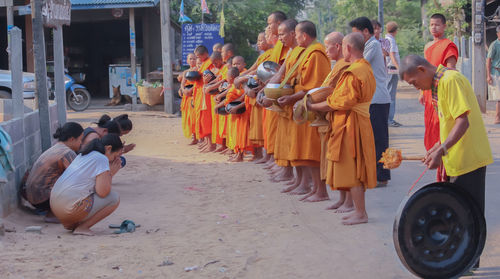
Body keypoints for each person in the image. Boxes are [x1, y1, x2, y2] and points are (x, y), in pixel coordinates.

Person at [400, 56, 493, 264]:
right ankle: (463, 261)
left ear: (422, 70)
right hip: (457, 159)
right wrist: (437, 147)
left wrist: (442, 149)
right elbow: (450, 123)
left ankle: (468, 262)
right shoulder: (439, 84)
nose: (415, 87)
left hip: (469, 158)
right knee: (460, 213)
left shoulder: (450, 80)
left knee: (470, 216)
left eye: (414, 82)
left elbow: (462, 122)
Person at [308, 32, 377, 225]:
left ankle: (360, 213)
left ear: (347, 48)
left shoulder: (353, 72)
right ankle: (357, 210)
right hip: (360, 120)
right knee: (355, 166)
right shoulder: (365, 67)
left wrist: (312, 107)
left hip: (351, 123)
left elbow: (338, 102)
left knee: (351, 168)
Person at [303, 31, 352, 205]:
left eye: (327, 45)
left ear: (337, 46)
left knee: (344, 161)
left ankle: (349, 202)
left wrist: (313, 105)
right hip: (332, 118)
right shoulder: (337, 65)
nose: (325, 49)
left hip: (344, 119)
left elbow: (336, 96)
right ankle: (342, 198)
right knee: (333, 158)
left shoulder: (345, 66)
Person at [50, 134, 123, 235]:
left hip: (55, 208)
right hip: (69, 208)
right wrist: (111, 173)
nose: (114, 160)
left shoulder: (84, 154)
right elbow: (103, 192)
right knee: (114, 198)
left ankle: (73, 223)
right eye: (115, 156)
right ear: (109, 148)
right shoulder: (101, 158)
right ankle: (83, 227)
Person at [350, 17, 391, 187]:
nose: (354, 38)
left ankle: (382, 176)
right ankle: (374, 173)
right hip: (371, 99)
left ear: (366, 32)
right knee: (371, 139)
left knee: (379, 139)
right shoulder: (368, 45)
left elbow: (358, 65)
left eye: (356, 34)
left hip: (378, 99)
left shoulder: (373, 45)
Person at [422, 13, 458, 182]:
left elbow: (450, 70)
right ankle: (440, 172)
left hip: (441, 94)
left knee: (442, 131)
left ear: (444, 27)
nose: (433, 28)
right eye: (431, 25)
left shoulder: (448, 45)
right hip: (429, 95)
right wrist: (421, 91)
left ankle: (445, 174)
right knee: (432, 132)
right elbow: (425, 72)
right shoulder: (428, 46)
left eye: (437, 25)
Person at [24, 122, 84, 223]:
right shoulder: (67, 153)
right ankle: (54, 214)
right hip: (43, 199)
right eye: (80, 139)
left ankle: (54, 212)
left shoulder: (56, 147)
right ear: (72, 139)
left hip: (32, 197)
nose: (81, 143)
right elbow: (79, 179)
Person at [193, 45, 215, 152]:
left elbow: (212, 78)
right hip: (201, 93)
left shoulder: (210, 63)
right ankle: (207, 142)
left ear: (205, 54)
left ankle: (211, 144)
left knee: (206, 119)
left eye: (198, 56)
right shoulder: (204, 64)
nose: (198, 59)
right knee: (202, 119)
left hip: (207, 95)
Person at [385, 21, 402, 127]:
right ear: (396, 31)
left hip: (386, 69)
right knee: (391, 96)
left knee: (387, 94)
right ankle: (389, 120)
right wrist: (399, 68)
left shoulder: (384, 39)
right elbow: (392, 55)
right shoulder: (391, 40)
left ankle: (386, 119)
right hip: (392, 69)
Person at [179, 53, 198, 144]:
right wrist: (183, 90)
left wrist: (191, 90)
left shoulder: (198, 71)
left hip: (194, 96)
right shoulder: (186, 72)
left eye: (194, 59)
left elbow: (198, 84)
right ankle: (193, 137)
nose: (192, 61)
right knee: (189, 118)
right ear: (187, 60)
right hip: (187, 96)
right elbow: (182, 83)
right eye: (190, 59)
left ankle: (199, 137)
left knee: (195, 117)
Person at [486, 25, 500, 124]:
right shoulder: (494, 45)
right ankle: (497, 117)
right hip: (496, 72)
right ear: (497, 33)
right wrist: (488, 75)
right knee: (499, 98)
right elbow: (489, 60)